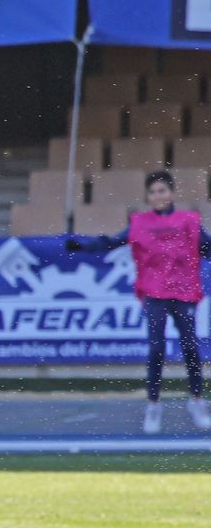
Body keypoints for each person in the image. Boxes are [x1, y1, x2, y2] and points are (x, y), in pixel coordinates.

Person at [66, 169, 211, 434]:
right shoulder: (140, 223)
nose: (158, 196)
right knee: (156, 348)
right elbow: (111, 242)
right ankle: (153, 405)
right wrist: (82, 246)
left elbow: (207, 248)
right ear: (148, 195)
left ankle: (197, 400)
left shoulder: (189, 222)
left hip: (184, 291)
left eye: (162, 190)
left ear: (172, 193)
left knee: (190, 346)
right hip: (154, 292)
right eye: (153, 192)